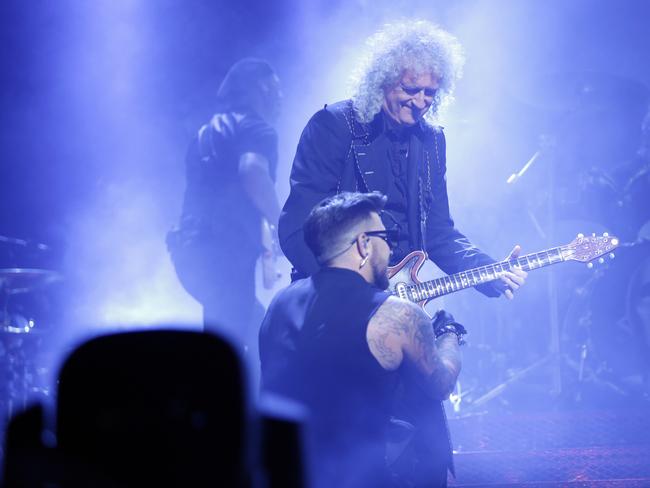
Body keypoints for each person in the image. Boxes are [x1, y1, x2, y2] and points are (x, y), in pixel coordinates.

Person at [279, 21, 526, 297]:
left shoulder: (431, 141)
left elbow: (438, 232)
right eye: (410, 89)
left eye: (429, 93)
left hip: (397, 298)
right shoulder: (335, 126)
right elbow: (297, 229)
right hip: (333, 296)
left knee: (449, 339)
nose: (420, 101)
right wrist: (346, 289)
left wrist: (489, 272)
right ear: (383, 80)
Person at [260, 192, 467, 488]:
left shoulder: (279, 303)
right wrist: (449, 333)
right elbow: (441, 383)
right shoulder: (396, 314)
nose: (390, 247)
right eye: (385, 236)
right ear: (364, 244)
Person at [167, 58, 282, 359]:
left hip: (189, 249)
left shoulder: (206, 133)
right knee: (230, 344)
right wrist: (284, 224)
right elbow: (252, 173)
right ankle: (227, 402)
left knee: (254, 329)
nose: (279, 97)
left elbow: (223, 196)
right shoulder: (256, 128)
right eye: (275, 88)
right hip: (226, 253)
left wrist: (267, 251)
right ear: (259, 88)